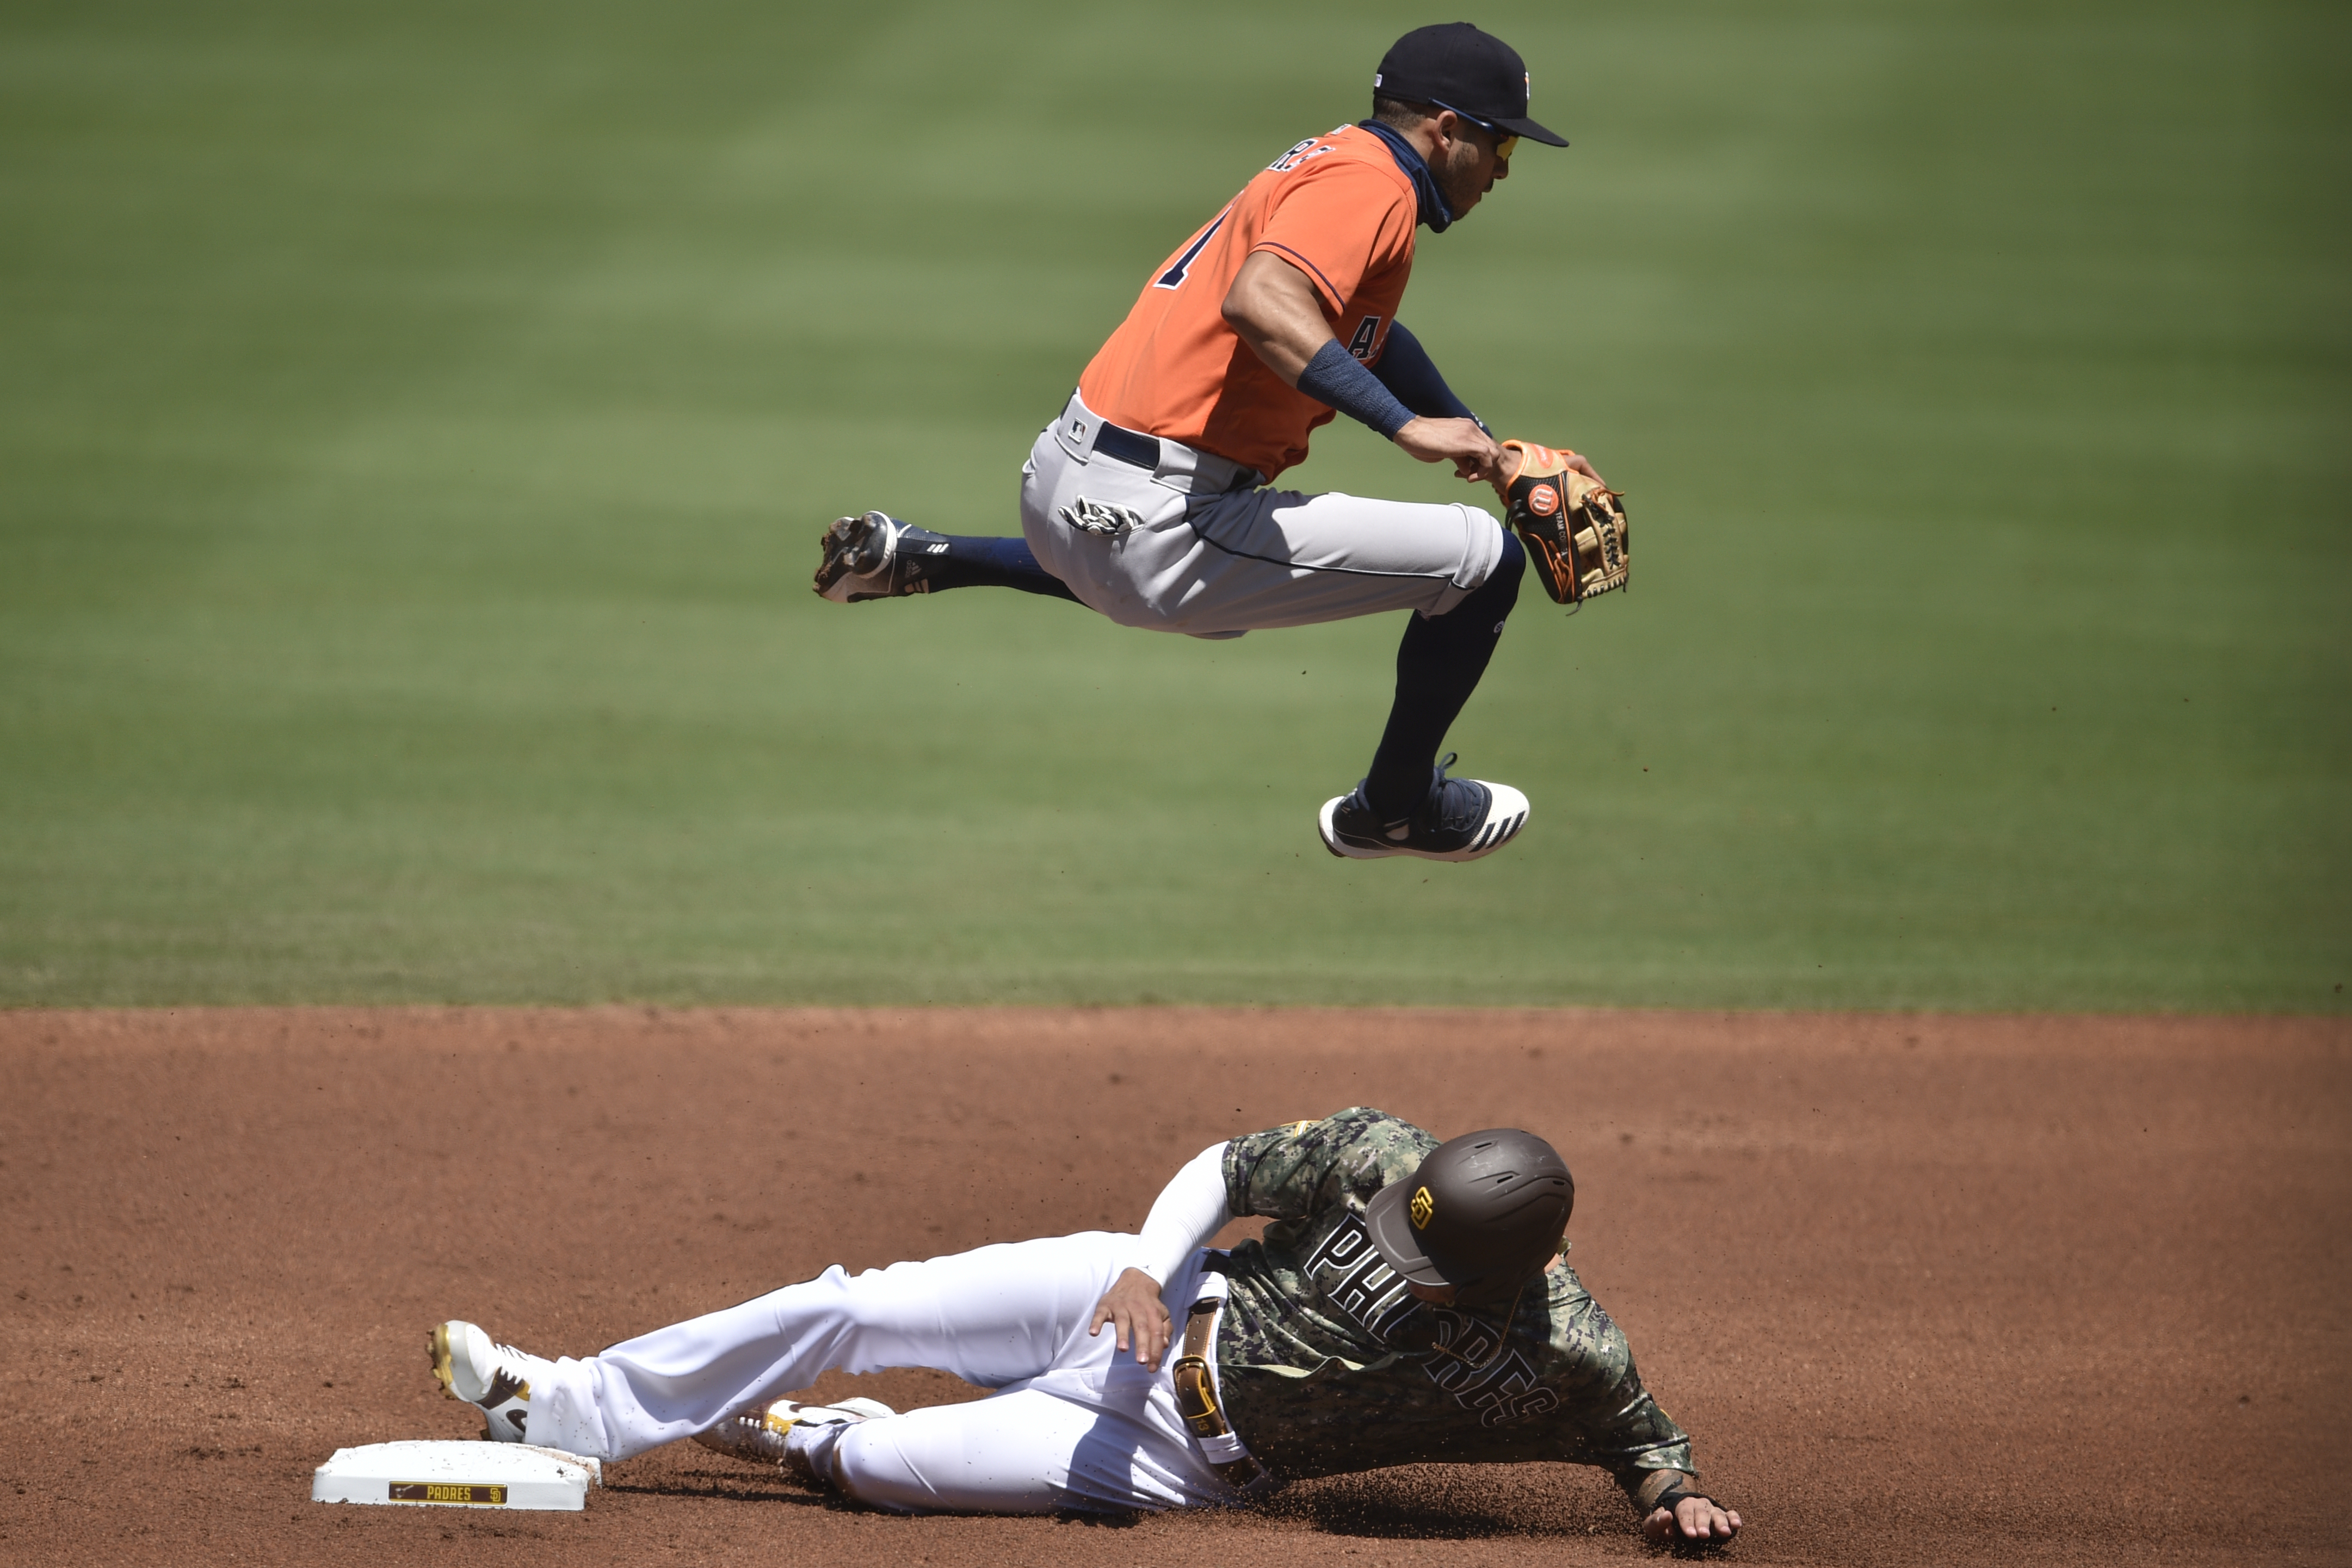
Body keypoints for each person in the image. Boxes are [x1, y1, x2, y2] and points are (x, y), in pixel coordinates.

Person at [809, 23, 1611, 864]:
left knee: (1185, 588)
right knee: (1482, 566)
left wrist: (1485, 445)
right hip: (1155, 522)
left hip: (1060, 484)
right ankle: (1396, 807)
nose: (1502, 171)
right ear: (1445, 129)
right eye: (1498, 144)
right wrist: (1406, 428)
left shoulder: (1335, 160)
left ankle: (923, 554)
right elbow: (1262, 302)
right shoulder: (1374, 189)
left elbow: (1363, 334)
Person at [429, 1108, 1741, 1545]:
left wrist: (1670, 1492)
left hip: (1180, 1462)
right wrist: (1144, 1270)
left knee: (878, 1470)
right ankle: (574, 1406)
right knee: (853, 1300)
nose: (1402, 1259)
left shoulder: (1561, 1347)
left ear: (1521, 1269)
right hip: (1151, 1303)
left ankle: (811, 1434)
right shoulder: (1380, 1153)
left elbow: (1642, 1439)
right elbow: (1224, 1168)